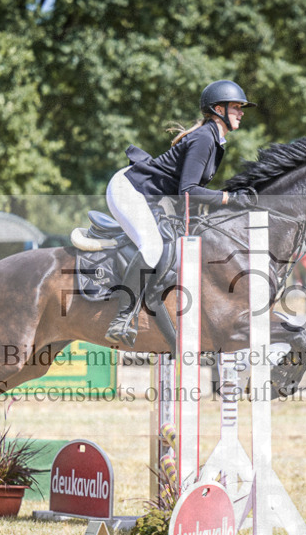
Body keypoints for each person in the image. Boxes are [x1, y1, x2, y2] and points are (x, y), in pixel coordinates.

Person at [103, 79, 256, 346]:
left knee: (167, 253)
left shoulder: (214, 139)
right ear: (218, 109)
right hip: (129, 189)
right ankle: (122, 317)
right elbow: (188, 190)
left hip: (150, 197)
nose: (241, 112)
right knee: (152, 248)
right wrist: (229, 198)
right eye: (236, 107)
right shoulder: (205, 138)